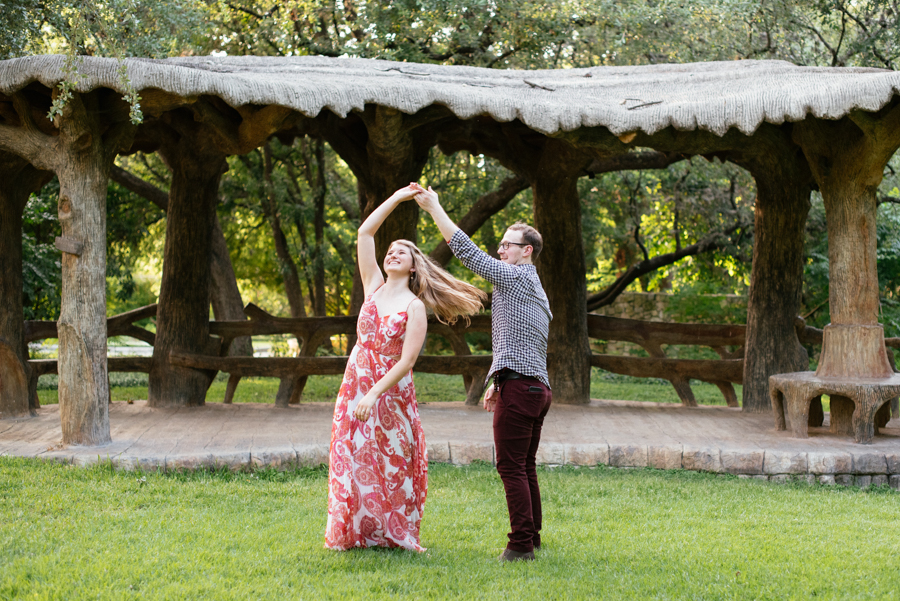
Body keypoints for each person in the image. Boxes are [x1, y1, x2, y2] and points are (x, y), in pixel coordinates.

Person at [325, 185, 486, 552]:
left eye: (402, 251)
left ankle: (396, 532)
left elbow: (407, 361)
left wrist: (374, 393)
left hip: (389, 391)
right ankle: (356, 532)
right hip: (356, 381)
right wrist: (397, 199)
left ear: (413, 265)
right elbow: (365, 233)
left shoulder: (414, 307)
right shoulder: (372, 288)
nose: (393, 253)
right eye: (391, 250)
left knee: (390, 460)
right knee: (351, 453)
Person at [412, 183, 553, 563]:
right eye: (502, 244)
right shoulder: (529, 286)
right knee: (524, 466)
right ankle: (532, 538)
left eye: (508, 245)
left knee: (510, 466)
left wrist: (434, 208)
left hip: (523, 389)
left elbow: (468, 254)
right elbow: (518, 341)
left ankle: (521, 545)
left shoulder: (519, 276)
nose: (500, 250)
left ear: (527, 251)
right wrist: (497, 379)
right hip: (533, 387)